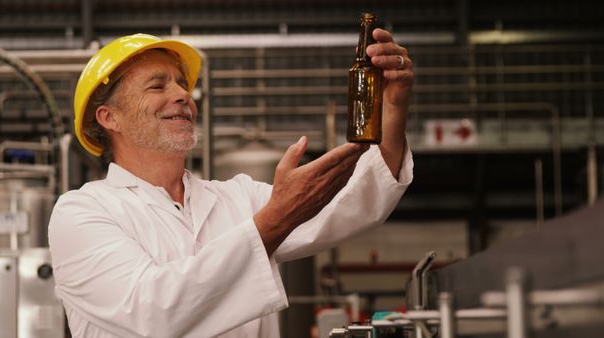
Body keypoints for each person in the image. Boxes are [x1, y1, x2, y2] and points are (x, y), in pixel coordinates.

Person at [49, 29, 414, 338]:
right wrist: (275, 220)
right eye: (157, 86)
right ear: (109, 117)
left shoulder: (237, 197)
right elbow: (153, 310)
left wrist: (393, 110)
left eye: (181, 84)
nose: (182, 95)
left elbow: (350, 206)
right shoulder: (81, 213)